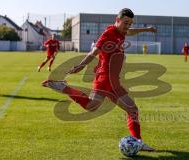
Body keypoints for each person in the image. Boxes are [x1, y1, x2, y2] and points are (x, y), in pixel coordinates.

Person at [42, 8, 157, 151]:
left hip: (114, 81)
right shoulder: (108, 34)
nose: (127, 26)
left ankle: (138, 142)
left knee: (132, 109)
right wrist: (81, 65)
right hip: (103, 78)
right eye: (125, 23)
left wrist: (147, 30)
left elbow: (131, 31)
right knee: (91, 107)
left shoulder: (122, 32)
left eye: (130, 23)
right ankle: (63, 88)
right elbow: (93, 52)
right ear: (117, 20)